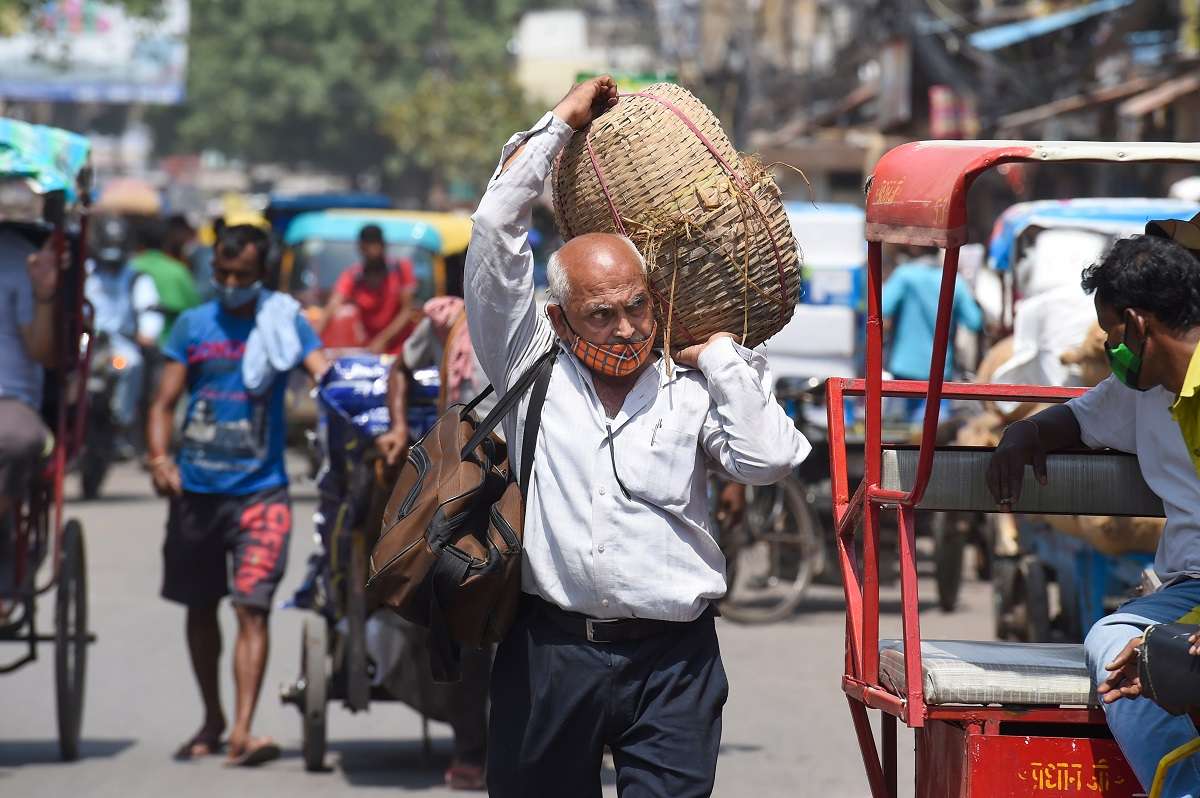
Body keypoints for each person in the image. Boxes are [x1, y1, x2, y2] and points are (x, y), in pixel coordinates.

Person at [466, 76, 811, 797]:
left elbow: (770, 461)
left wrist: (717, 355)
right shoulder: (528, 366)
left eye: (637, 307)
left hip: (674, 666)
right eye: (601, 315)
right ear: (560, 321)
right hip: (549, 655)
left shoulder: (692, 386)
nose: (626, 327)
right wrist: (560, 123)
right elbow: (497, 226)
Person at [987, 234, 1200, 796]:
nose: (1109, 347)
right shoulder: (1143, 392)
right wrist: (1024, 431)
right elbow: (1077, 419)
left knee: (1121, 648)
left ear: (1137, 323)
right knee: (1120, 650)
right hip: (1186, 591)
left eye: (1111, 333)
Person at [146, 224, 327, 767]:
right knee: (200, 609)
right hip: (196, 495)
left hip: (261, 494)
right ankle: (213, 718)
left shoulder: (282, 321)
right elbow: (162, 404)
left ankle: (243, 730)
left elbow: (323, 374)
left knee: (252, 609)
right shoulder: (192, 325)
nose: (229, 284)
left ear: (261, 274)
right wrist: (159, 460)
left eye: (241, 276)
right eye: (221, 275)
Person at [374, 293, 494, 790]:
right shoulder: (451, 318)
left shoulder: (551, 311)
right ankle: (471, 745)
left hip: (533, 479)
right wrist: (399, 427)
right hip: (462, 480)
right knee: (460, 610)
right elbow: (400, 368)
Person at [0, 228, 59, 557]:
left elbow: (42, 352)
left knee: (17, 438)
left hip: (8, 397)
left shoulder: (21, 259)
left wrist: (44, 295)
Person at [84, 216, 163, 453]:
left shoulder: (136, 277)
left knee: (132, 365)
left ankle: (121, 422)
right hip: (86, 340)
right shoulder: (85, 272)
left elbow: (149, 309)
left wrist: (148, 333)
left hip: (119, 343)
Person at [882, 244, 983, 421]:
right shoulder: (954, 280)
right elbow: (974, 321)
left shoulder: (905, 276)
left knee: (900, 436)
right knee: (934, 432)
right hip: (940, 370)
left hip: (905, 367)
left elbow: (882, 307)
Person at [317, 223, 417, 354]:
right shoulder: (353, 276)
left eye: (376, 245)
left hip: (402, 351)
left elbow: (407, 310)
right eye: (368, 246)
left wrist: (383, 340)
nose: (373, 251)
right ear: (361, 248)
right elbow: (333, 305)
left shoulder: (401, 270)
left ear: (384, 246)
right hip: (371, 350)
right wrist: (313, 339)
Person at [131, 215, 200, 344]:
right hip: (169, 347)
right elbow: (194, 309)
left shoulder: (130, 268)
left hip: (133, 347)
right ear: (166, 242)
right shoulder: (178, 271)